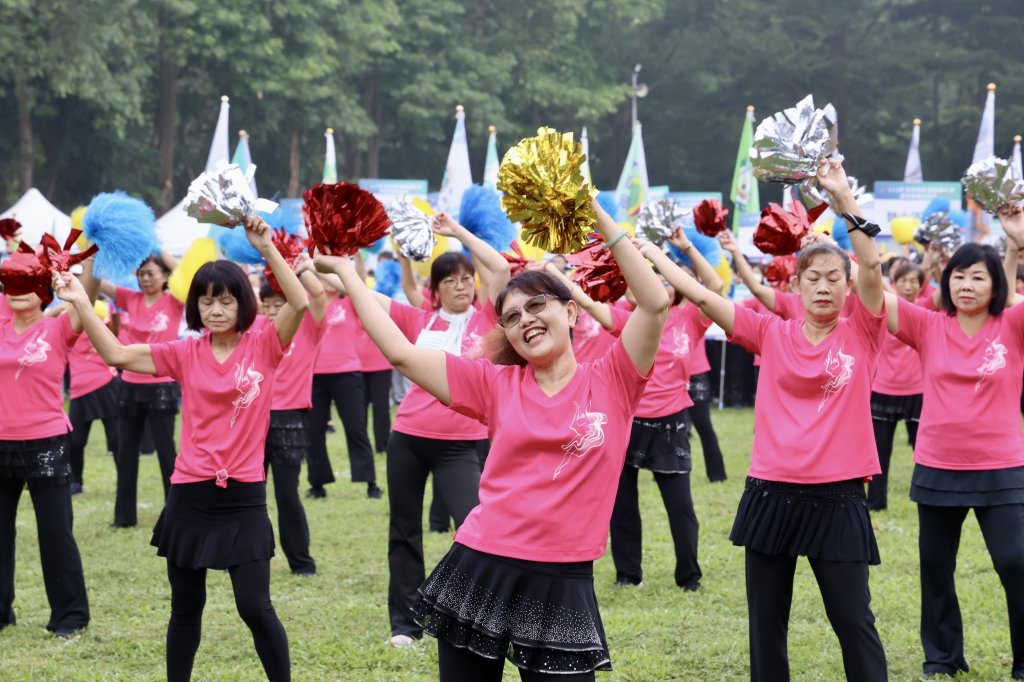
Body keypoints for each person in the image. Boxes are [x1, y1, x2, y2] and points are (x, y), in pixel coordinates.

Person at [316, 198, 669, 680]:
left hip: (563, 579)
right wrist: (345, 272)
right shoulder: (494, 384)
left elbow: (654, 301)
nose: (525, 320)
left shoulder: (615, 379)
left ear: (570, 312)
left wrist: (594, 215)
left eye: (537, 306)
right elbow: (400, 353)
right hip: (482, 564)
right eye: (512, 316)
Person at [665, 159, 889, 681]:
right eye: (814, 278)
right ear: (798, 284)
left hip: (838, 498)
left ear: (847, 285)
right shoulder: (771, 332)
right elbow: (703, 295)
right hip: (771, 494)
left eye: (836, 279)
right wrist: (646, 251)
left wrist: (843, 200)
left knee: (853, 620)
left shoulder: (863, 331)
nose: (825, 287)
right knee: (766, 627)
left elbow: (873, 268)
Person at [57, 216, 306, 681]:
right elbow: (117, 354)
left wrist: (267, 247)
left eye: (226, 300)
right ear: (196, 305)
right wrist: (80, 301)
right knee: (186, 610)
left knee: (255, 606)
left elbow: (300, 300)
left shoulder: (265, 345)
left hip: (244, 496)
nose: (215, 308)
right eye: (207, 300)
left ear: (242, 304)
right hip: (190, 496)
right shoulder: (184, 352)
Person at [322, 212, 509, 648]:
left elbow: (500, 269)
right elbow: (360, 296)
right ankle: (405, 625)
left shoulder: (489, 321)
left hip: (461, 445)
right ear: (435, 289)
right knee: (404, 530)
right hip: (408, 438)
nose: (463, 285)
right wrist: (329, 263)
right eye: (452, 281)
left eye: (467, 278)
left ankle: (469, 611)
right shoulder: (418, 319)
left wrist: (458, 234)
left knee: (473, 528)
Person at [887, 205, 1024, 679]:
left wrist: (1017, 242)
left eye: (978, 278)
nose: (966, 285)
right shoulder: (928, 326)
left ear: (996, 287)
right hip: (939, 466)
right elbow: (872, 295)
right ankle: (942, 658)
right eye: (959, 276)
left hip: (1002, 467)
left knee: (1016, 562)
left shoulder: (1013, 326)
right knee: (936, 570)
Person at [608, 227, 723, 591]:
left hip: (672, 423)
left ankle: (689, 576)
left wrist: (683, 249)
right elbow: (595, 304)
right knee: (622, 506)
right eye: (650, 279)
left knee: (681, 507)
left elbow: (715, 288)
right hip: (627, 420)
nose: (659, 285)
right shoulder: (629, 320)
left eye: (665, 280)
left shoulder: (689, 319)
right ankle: (628, 574)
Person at [0, 263, 90, 637]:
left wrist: (85, 271)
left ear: (43, 291)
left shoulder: (58, 327)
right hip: (1, 442)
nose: (17, 291)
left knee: (55, 533)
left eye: (26, 284)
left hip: (47, 442)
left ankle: (70, 615)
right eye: (10, 284)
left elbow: (88, 303)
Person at [83, 253, 183, 527]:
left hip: (162, 385)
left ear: (165, 277)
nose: (146, 278)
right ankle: (124, 518)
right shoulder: (130, 298)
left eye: (152, 273)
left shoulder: (174, 300)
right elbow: (99, 284)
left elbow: (188, 276)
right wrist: (92, 253)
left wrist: (159, 249)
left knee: (166, 453)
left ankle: (175, 513)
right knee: (126, 453)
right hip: (129, 385)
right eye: (142, 274)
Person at [257, 254, 327, 576]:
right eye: (266, 305)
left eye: (278, 304)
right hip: (252, 420)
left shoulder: (309, 327)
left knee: (287, 495)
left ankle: (302, 563)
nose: (272, 312)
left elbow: (318, 294)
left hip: (289, 421)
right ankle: (253, 558)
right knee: (252, 497)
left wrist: (297, 265)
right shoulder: (255, 329)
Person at [306, 274, 379, 499]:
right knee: (314, 431)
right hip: (313, 375)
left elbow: (357, 276)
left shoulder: (349, 301)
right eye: (321, 275)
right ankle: (317, 484)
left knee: (356, 427)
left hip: (347, 373)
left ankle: (370, 483)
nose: (326, 280)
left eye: (331, 275)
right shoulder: (308, 300)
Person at [867, 261, 925, 511]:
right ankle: (876, 502)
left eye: (914, 281)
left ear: (922, 286)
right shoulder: (882, 309)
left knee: (925, 450)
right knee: (879, 452)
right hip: (884, 388)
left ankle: (929, 498)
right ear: (894, 282)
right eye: (903, 280)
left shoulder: (926, 310)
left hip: (918, 390)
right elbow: (872, 284)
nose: (908, 285)